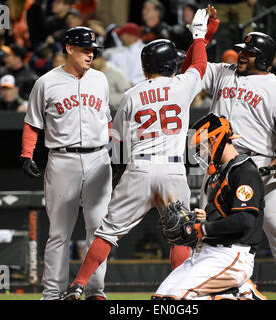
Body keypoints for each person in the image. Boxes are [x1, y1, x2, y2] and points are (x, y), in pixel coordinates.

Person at [60, 8, 210, 300]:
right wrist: (200, 35)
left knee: (107, 233)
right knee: (183, 232)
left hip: (138, 168)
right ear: (170, 65)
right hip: (173, 170)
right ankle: (178, 294)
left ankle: (78, 285)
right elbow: (200, 64)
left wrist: (117, 174)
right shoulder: (181, 85)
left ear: (145, 68)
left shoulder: (131, 95)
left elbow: (116, 142)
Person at [182, 6, 276, 300]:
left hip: (258, 167)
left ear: (265, 58)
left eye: (250, 52)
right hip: (221, 168)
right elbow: (191, 69)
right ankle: (208, 288)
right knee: (215, 231)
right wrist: (204, 36)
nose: (242, 55)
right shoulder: (222, 72)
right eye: (242, 50)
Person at [21, 26, 112, 300]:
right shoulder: (46, 82)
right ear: (69, 49)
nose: (90, 55)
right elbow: (32, 124)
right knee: (59, 233)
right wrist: (27, 154)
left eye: (93, 51)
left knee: (98, 229)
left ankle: (96, 291)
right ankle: (52, 294)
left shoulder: (101, 80)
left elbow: (106, 123)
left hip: (98, 158)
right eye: (85, 49)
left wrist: (114, 155)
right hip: (62, 159)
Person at [153, 113, 266, 300]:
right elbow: (224, 217)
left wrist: (202, 228)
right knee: (160, 299)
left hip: (233, 255)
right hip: (209, 251)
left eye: (202, 146)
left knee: (176, 299)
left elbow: (244, 220)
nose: (201, 153)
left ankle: (242, 294)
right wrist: (203, 220)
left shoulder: (245, 172)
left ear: (215, 139)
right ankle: (238, 293)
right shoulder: (221, 174)